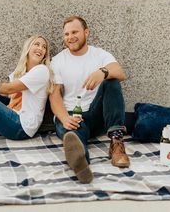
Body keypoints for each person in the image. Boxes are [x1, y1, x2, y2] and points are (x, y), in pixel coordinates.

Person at [49, 16, 129, 184]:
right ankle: (81, 162)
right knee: (74, 135)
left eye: (75, 32)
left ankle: (116, 144)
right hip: (72, 116)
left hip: (96, 115)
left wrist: (103, 72)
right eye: (66, 34)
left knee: (112, 81)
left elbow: (120, 72)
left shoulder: (99, 54)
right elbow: (54, 94)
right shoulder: (58, 61)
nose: (70, 37)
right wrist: (64, 118)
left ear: (86, 32)